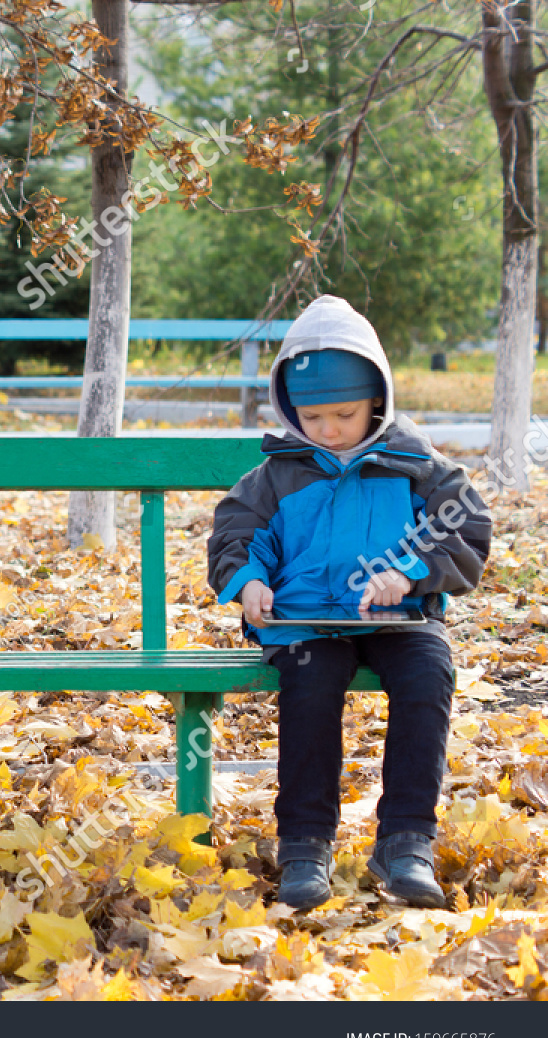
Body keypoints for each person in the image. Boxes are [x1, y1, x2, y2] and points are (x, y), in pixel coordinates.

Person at [207, 295, 491, 910]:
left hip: (400, 621)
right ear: (290, 409)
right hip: (307, 621)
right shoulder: (278, 473)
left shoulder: (416, 466)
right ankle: (305, 844)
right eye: (312, 417)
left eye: (344, 414)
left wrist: (411, 572)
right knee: (311, 686)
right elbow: (235, 533)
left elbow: (465, 531)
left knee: (428, 675)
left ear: (377, 404)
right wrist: (249, 581)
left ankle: (406, 839)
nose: (329, 430)